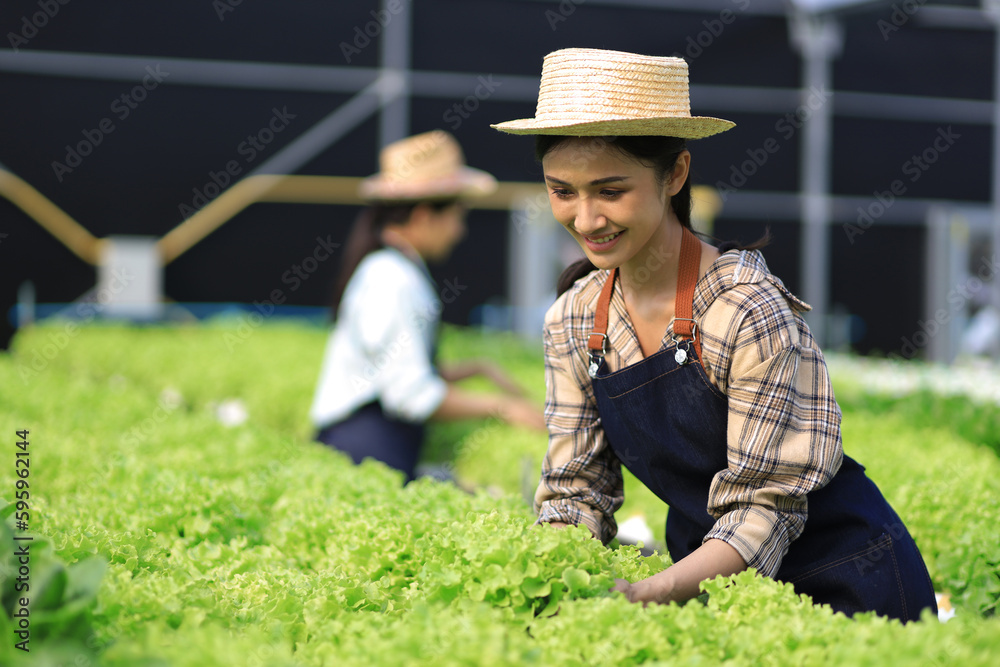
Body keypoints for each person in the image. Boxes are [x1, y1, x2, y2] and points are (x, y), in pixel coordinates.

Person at [492, 48, 937, 621]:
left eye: (609, 191)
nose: (585, 219)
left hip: (846, 586)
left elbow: (763, 507)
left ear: (675, 173)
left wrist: (646, 593)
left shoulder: (743, 309)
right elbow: (576, 488)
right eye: (562, 191)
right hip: (714, 588)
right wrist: (553, 575)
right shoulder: (576, 321)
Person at [310, 130, 545, 482]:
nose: (459, 231)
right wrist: (503, 407)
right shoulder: (393, 280)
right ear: (423, 215)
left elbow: (391, 370)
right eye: (457, 216)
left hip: (362, 443)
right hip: (368, 448)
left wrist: (476, 369)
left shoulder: (388, 268)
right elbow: (408, 394)